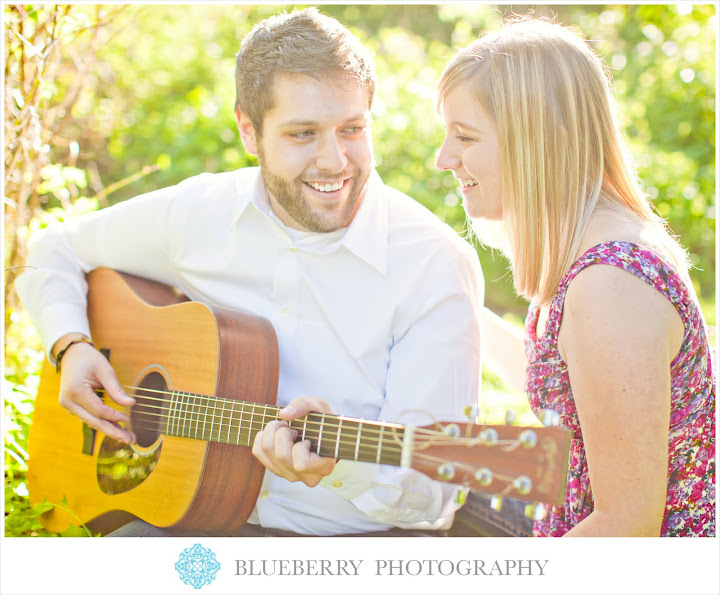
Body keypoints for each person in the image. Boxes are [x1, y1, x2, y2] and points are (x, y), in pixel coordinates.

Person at [15, 8, 484, 537]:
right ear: (248, 130)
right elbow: (51, 250)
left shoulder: (432, 265)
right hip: (191, 518)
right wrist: (70, 346)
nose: (335, 160)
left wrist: (340, 467)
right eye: (303, 134)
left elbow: (432, 488)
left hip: (355, 544)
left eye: (352, 129)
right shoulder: (200, 215)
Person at [435, 16, 715, 537]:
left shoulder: (611, 285)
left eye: (466, 137)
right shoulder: (592, 249)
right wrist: (458, 314)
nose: (443, 158)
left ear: (542, 139)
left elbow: (626, 525)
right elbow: (573, 387)